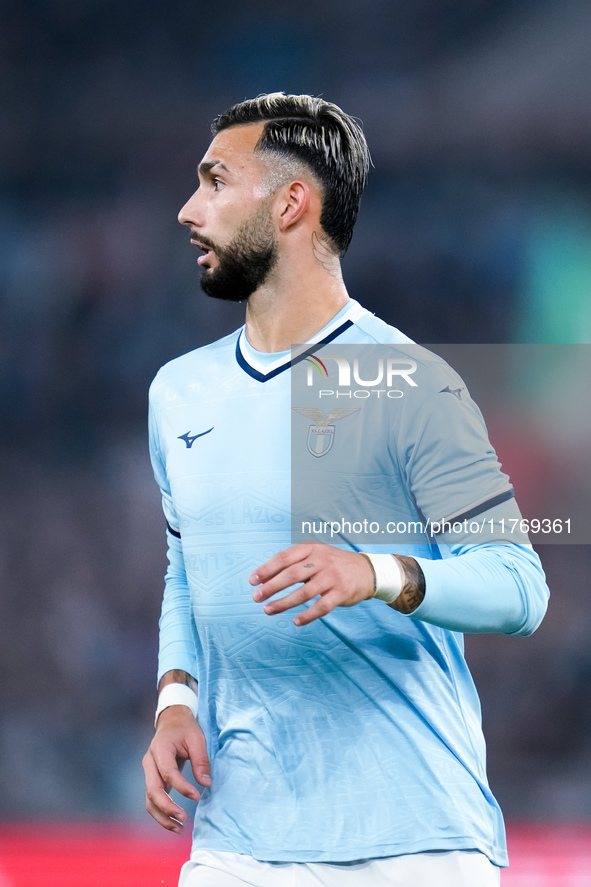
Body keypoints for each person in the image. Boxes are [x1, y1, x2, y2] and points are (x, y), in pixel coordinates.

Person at [142, 93, 549, 887]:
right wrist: (175, 701)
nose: (189, 209)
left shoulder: (408, 381)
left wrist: (375, 572)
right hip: (238, 839)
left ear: (292, 202)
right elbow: (184, 569)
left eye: (216, 181)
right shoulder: (177, 392)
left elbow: (518, 587)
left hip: (413, 843)